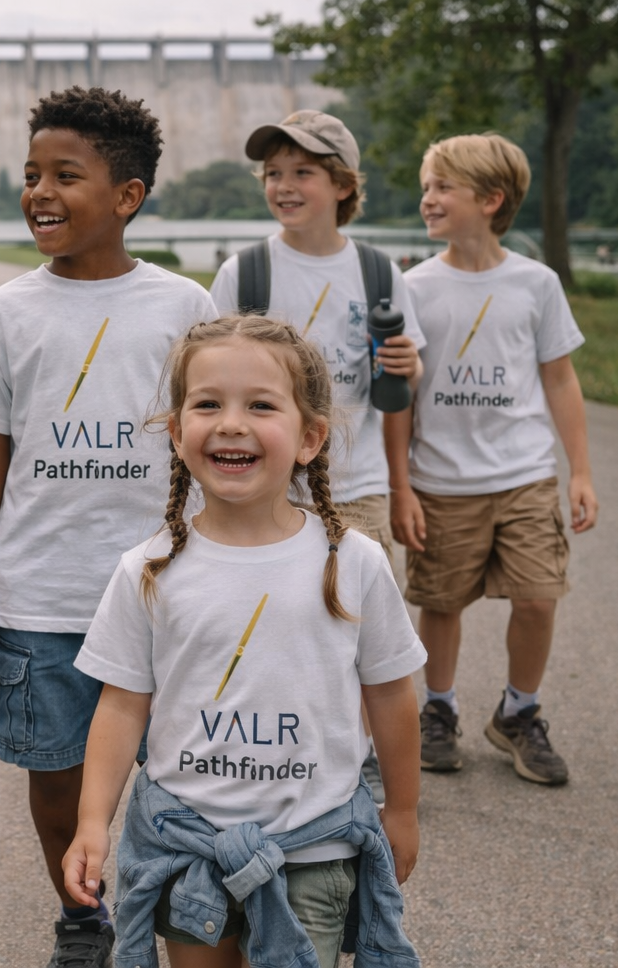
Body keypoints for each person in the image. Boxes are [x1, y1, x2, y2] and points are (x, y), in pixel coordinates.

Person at [0, 86, 218, 968]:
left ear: (127, 196)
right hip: (41, 594)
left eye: (66, 175)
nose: (39, 193)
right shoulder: (4, 313)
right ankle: (80, 914)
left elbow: (218, 441)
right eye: (31, 176)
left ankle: (174, 912)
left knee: (178, 776)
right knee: (57, 775)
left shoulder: (185, 307)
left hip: (163, 593)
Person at [63, 316, 425, 968]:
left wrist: (401, 808)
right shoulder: (148, 569)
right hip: (188, 846)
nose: (231, 423)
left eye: (260, 405)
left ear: (311, 437)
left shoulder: (355, 563)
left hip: (311, 852)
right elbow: (120, 707)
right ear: (177, 434)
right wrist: (93, 822)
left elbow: (392, 693)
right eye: (207, 405)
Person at [208, 109, 426, 805]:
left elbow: (395, 393)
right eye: (273, 173)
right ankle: (270, 748)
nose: (284, 186)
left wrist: (403, 485)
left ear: (342, 185)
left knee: (352, 623)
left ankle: (357, 754)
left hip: (355, 485)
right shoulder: (245, 273)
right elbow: (208, 381)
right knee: (267, 619)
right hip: (263, 486)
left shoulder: (379, 272)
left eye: (303, 171)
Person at [388, 132, 598, 786]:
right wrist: (401, 486)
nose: (428, 199)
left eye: (441, 187)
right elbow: (400, 396)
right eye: (426, 187)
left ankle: (518, 712)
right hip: (442, 479)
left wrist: (581, 470)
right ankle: (440, 710)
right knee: (443, 602)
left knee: (539, 596)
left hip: (524, 475)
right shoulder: (412, 285)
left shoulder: (536, 283)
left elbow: (560, 379)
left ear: (490, 199)